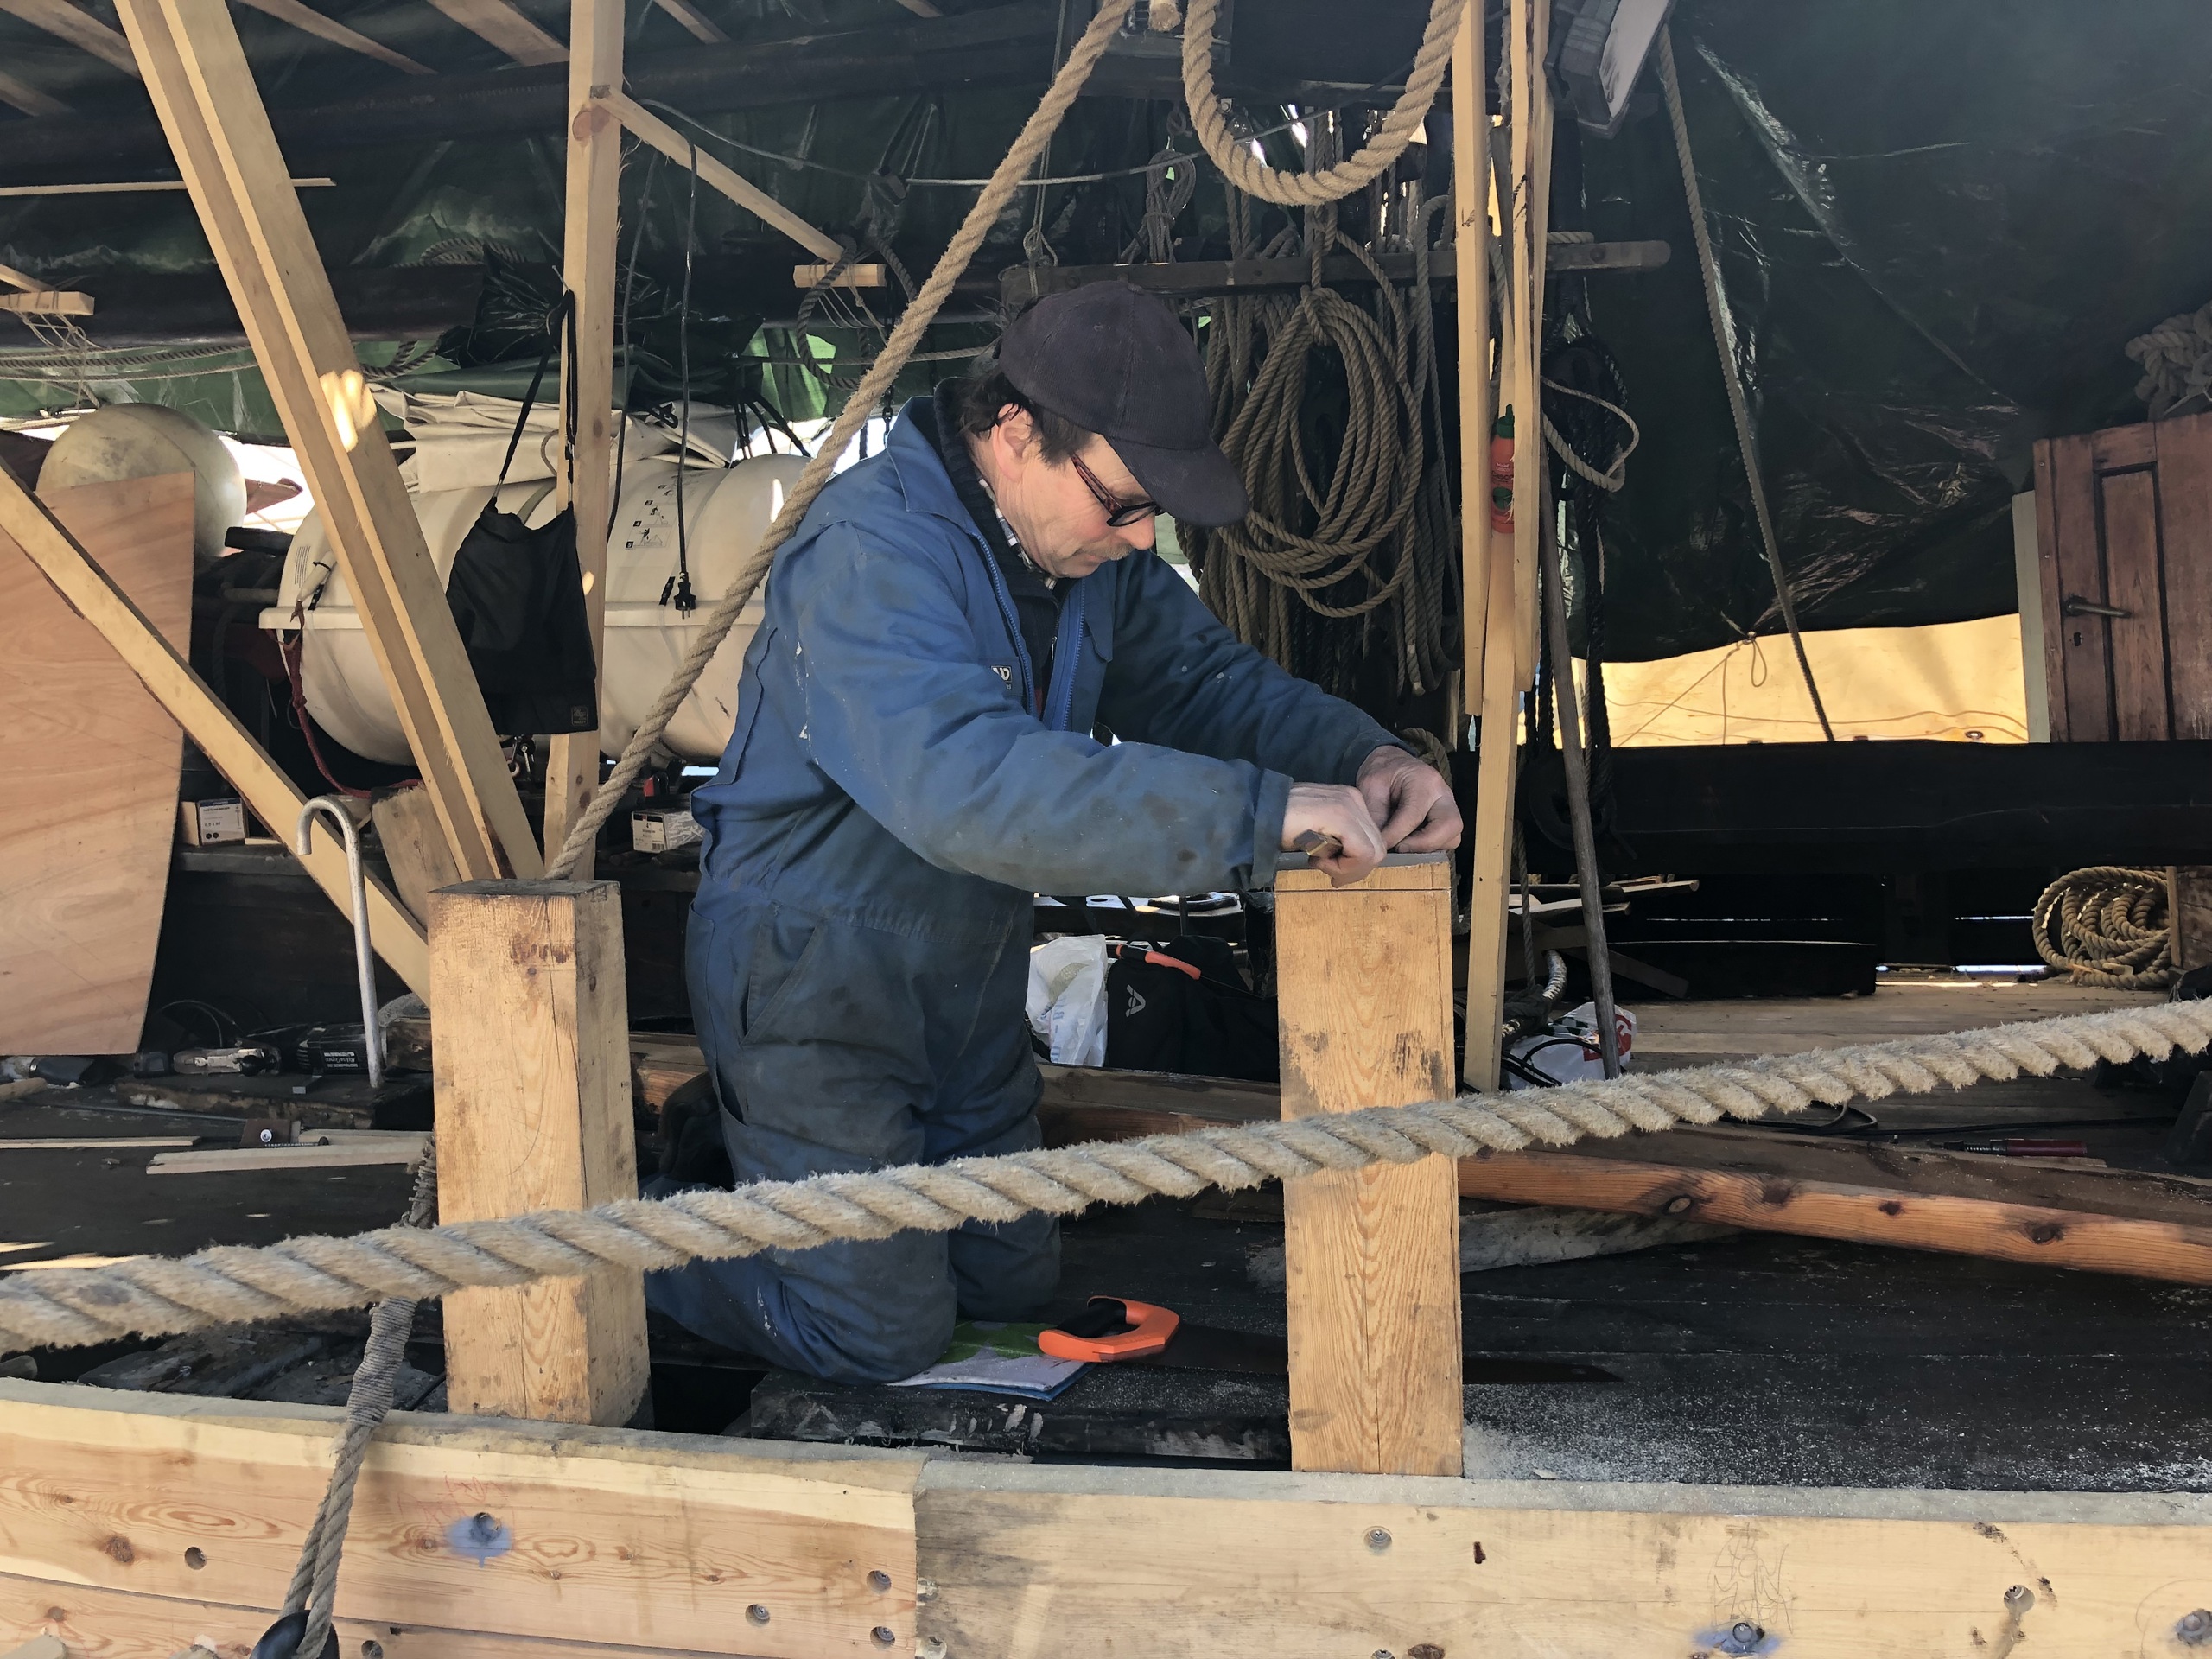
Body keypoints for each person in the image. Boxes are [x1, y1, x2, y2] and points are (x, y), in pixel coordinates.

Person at [645, 281, 1462, 1382]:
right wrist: (1257, 815)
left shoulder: (1077, 554)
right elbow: (968, 788)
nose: (1140, 538)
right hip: (811, 988)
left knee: (1008, 1288)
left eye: (1151, 513)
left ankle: (754, 1166)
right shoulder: (868, 549)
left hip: (968, 987)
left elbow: (1204, 683)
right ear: (1015, 430)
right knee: (874, 1337)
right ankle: (629, 1239)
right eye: (1121, 504)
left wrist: (1363, 758)